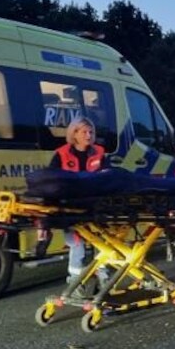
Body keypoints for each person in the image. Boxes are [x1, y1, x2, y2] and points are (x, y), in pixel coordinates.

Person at [49, 117, 106, 298]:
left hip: (95, 206)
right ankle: (75, 283)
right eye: (84, 132)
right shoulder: (61, 154)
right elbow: (52, 180)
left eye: (91, 132)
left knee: (103, 243)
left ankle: (104, 279)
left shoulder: (100, 153)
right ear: (74, 134)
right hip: (70, 208)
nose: (89, 136)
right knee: (77, 245)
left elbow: (109, 177)